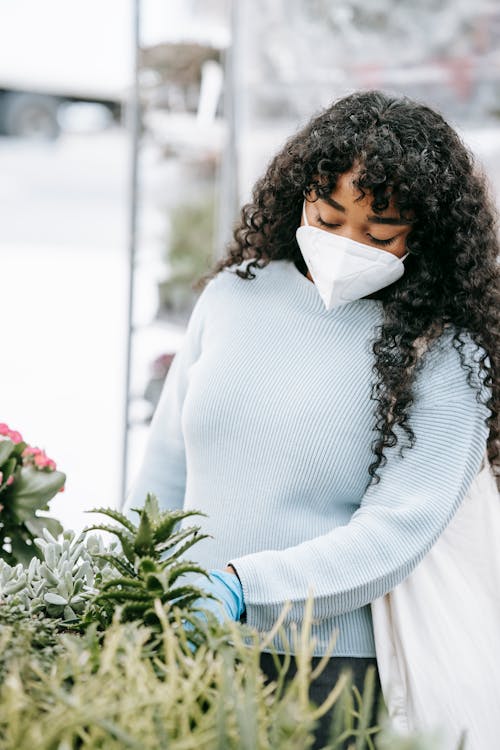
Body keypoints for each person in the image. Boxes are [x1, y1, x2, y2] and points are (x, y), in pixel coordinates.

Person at [124, 89, 499, 748]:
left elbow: (396, 532)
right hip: (180, 642)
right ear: (300, 193)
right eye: (327, 218)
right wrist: (130, 582)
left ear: (426, 232)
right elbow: (166, 467)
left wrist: (247, 586)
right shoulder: (234, 295)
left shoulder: (446, 352)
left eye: (379, 234)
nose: (347, 244)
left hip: (322, 674)